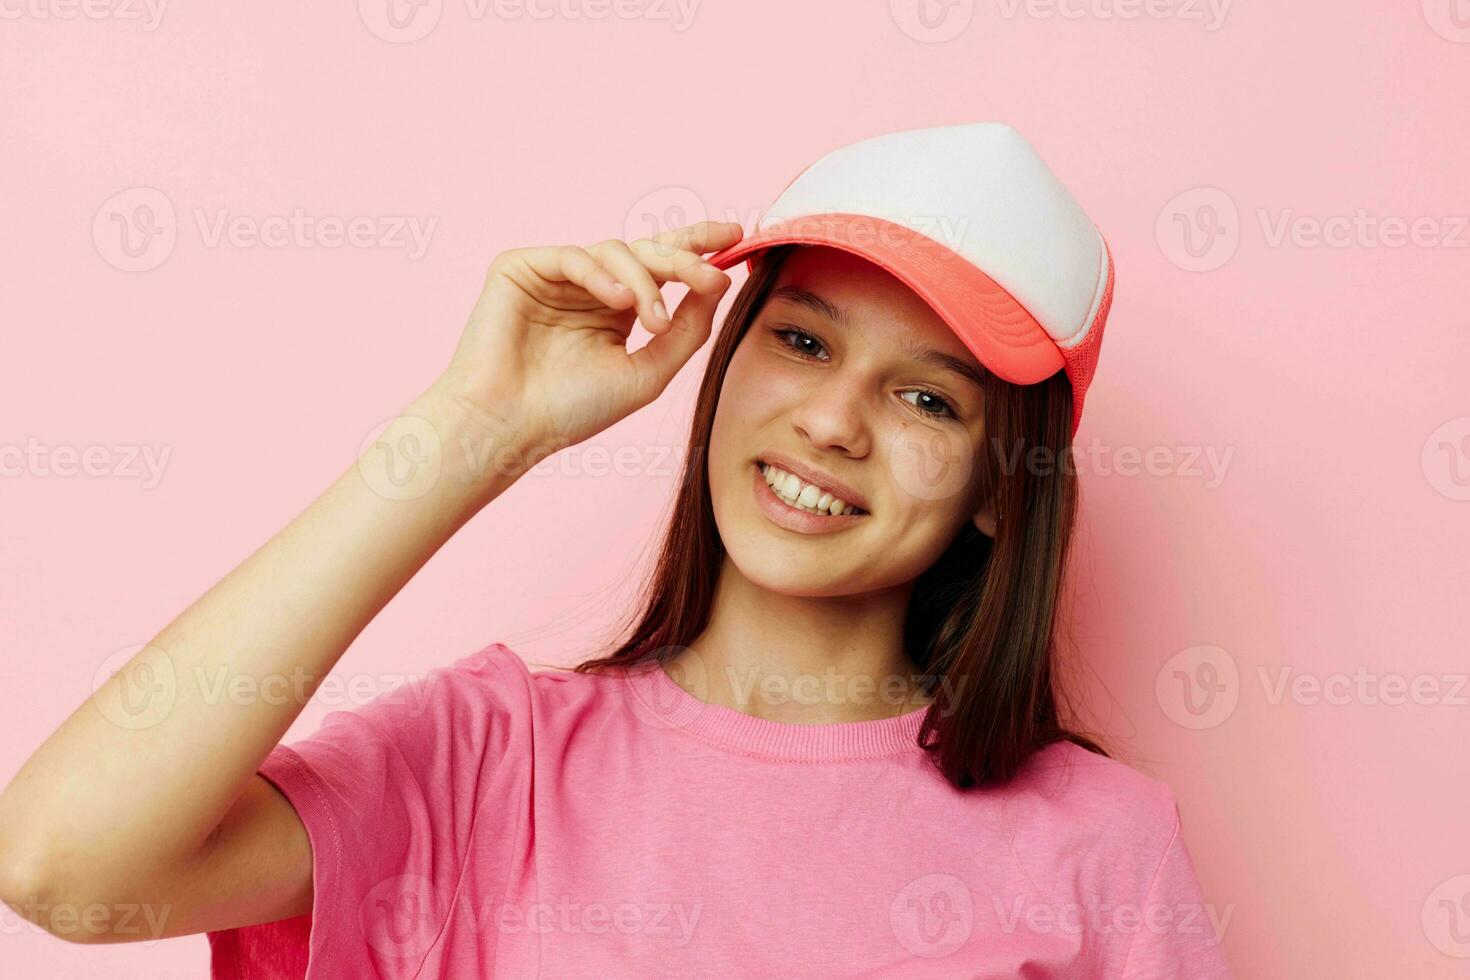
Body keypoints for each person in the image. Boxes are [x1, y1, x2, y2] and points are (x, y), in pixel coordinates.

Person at [0, 123, 1233, 977]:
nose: (831, 420)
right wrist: (473, 429)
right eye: (802, 341)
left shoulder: (1103, 842)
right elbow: (64, 864)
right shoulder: (493, 759)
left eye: (929, 400)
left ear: (996, 492)